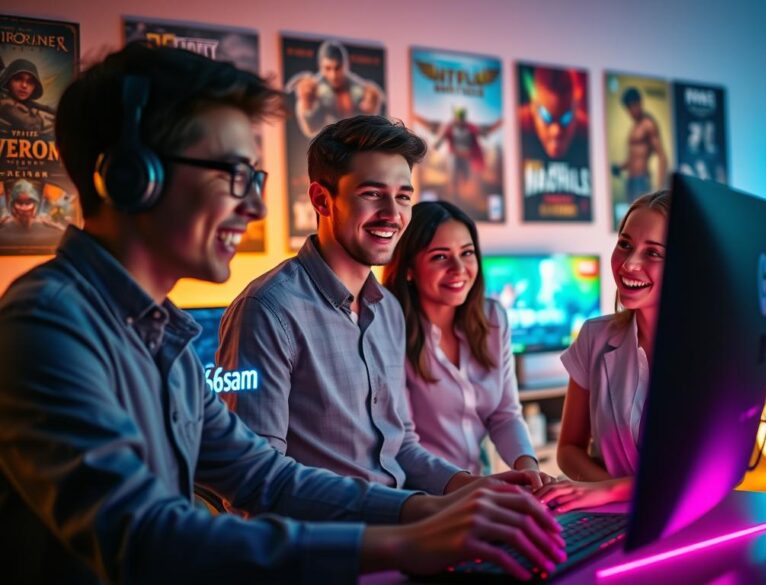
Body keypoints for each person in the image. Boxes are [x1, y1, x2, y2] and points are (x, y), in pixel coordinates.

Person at [0, 43, 563, 584]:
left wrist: (444, 503)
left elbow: (260, 475)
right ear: (133, 175)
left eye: (255, 178)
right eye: (233, 174)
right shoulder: (47, 326)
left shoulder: (159, 329)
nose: (253, 206)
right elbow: (144, 538)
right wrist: (410, 540)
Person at [219, 115, 537, 496]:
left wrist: (474, 487)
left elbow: (400, 445)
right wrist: (411, 512)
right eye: (372, 194)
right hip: (333, 547)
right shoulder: (268, 310)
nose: (393, 213)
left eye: (403, 196)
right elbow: (256, 481)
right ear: (322, 199)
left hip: (405, 529)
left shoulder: (386, 309)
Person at [382, 201, 546, 480]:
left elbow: (504, 414)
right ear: (409, 269)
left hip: (477, 483)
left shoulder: (493, 318)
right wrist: (471, 488)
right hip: (420, 497)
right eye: (440, 257)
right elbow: (402, 445)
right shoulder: (388, 330)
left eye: (467, 253)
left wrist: (530, 472)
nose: (459, 269)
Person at [535, 191, 671, 513]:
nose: (630, 263)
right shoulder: (594, 336)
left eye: (653, 253)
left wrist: (610, 491)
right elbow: (568, 449)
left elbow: (707, 472)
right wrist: (604, 492)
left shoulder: (710, 353)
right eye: (625, 244)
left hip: (684, 521)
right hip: (612, 518)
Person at [287, 40, 385, 139]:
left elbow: (369, 126)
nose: (333, 75)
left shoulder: (357, 89)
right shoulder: (315, 88)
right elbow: (311, 128)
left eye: (337, 68)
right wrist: (305, 104)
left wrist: (372, 109)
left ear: (345, 65)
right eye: (328, 68)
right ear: (321, 67)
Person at [611, 88, 668, 202]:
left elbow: (662, 156)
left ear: (639, 103)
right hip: (631, 180)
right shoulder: (634, 127)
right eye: (628, 108)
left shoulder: (648, 124)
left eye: (633, 106)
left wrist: (660, 188)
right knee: (631, 216)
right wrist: (620, 167)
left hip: (641, 181)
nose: (631, 111)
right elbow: (633, 157)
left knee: (641, 217)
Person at [0, 58, 56, 134]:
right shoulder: (6, 105)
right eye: (18, 79)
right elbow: (32, 126)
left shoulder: (25, 103)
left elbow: (45, 108)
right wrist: (41, 118)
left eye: (30, 82)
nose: (24, 85)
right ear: (8, 80)